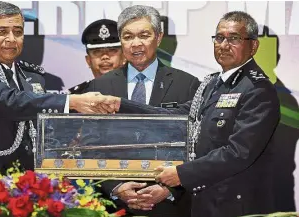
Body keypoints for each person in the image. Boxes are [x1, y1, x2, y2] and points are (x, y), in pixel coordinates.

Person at [101, 11, 281, 217]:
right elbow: (177, 115)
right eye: (219, 38)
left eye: (234, 39)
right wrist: (119, 104)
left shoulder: (258, 90)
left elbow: (238, 153)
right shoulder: (212, 84)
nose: (224, 45)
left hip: (236, 204)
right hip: (205, 203)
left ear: (253, 46)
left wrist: (180, 174)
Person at [0, 1, 112, 194]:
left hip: (22, 186)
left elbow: (41, 130)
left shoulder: (33, 76)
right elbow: (9, 101)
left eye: (18, 32)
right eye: (2, 31)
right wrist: (71, 102)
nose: (11, 39)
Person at [84, 5, 200, 217]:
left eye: (144, 35)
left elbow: (197, 147)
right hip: (115, 206)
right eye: (128, 36)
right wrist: (115, 187)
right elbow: (89, 148)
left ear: (158, 37)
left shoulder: (188, 85)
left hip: (170, 205)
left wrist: (169, 188)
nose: (136, 43)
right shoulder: (99, 88)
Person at [68, 19, 126, 94]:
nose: (105, 56)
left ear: (124, 57)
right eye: (97, 52)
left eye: (112, 50)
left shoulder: (138, 93)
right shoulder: (75, 97)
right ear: (88, 60)